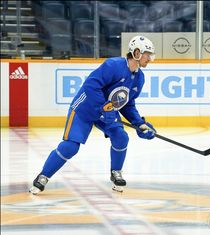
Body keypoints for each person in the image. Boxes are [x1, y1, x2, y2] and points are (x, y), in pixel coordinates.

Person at [29, 35, 157, 194]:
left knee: (121, 137)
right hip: (85, 108)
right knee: (70, 147)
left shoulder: (139, 78)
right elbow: (91, 87)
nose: (150, 58)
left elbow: (128, 104)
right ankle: (43, 176)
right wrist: (103, 109)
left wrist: (139, 123)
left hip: (107, 111)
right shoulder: (113, 65)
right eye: (148, 54)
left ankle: (116, 172)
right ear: (137, 53)